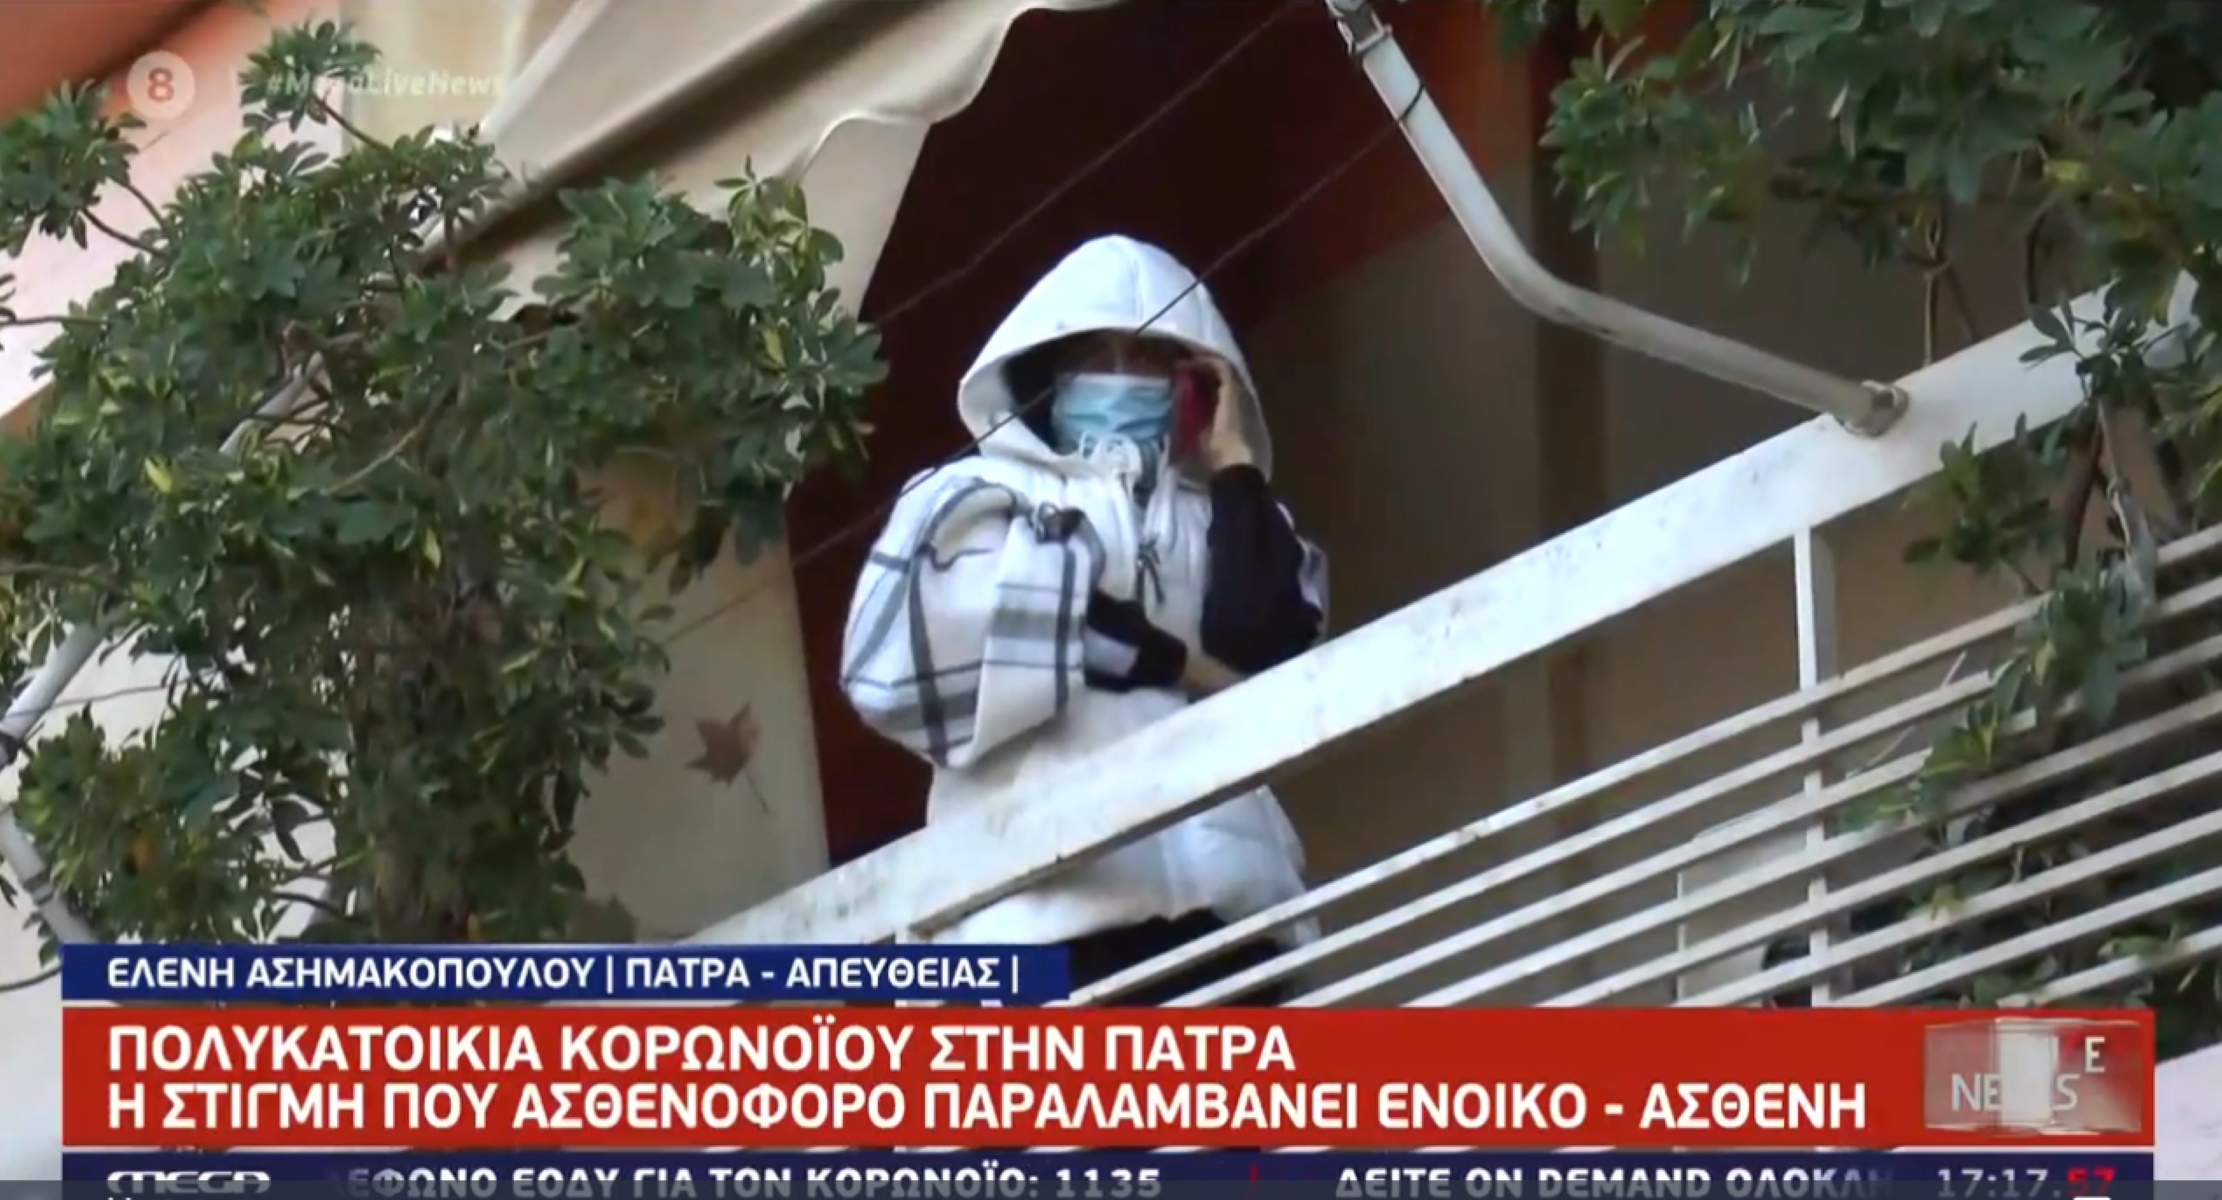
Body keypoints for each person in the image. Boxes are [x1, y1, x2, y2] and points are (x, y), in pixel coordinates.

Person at [839, 234, 1327, 1005]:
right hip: (1041, 919)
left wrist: (1233, 463)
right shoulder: (973, 494)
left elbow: (1266, 652)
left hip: (1230, 921)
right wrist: (1175, 663)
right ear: (1048, 373)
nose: (1121, 376)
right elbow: (927, 651)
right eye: (1094, 355)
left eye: (1150, 357)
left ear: (1194, 381)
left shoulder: (1231, 519)